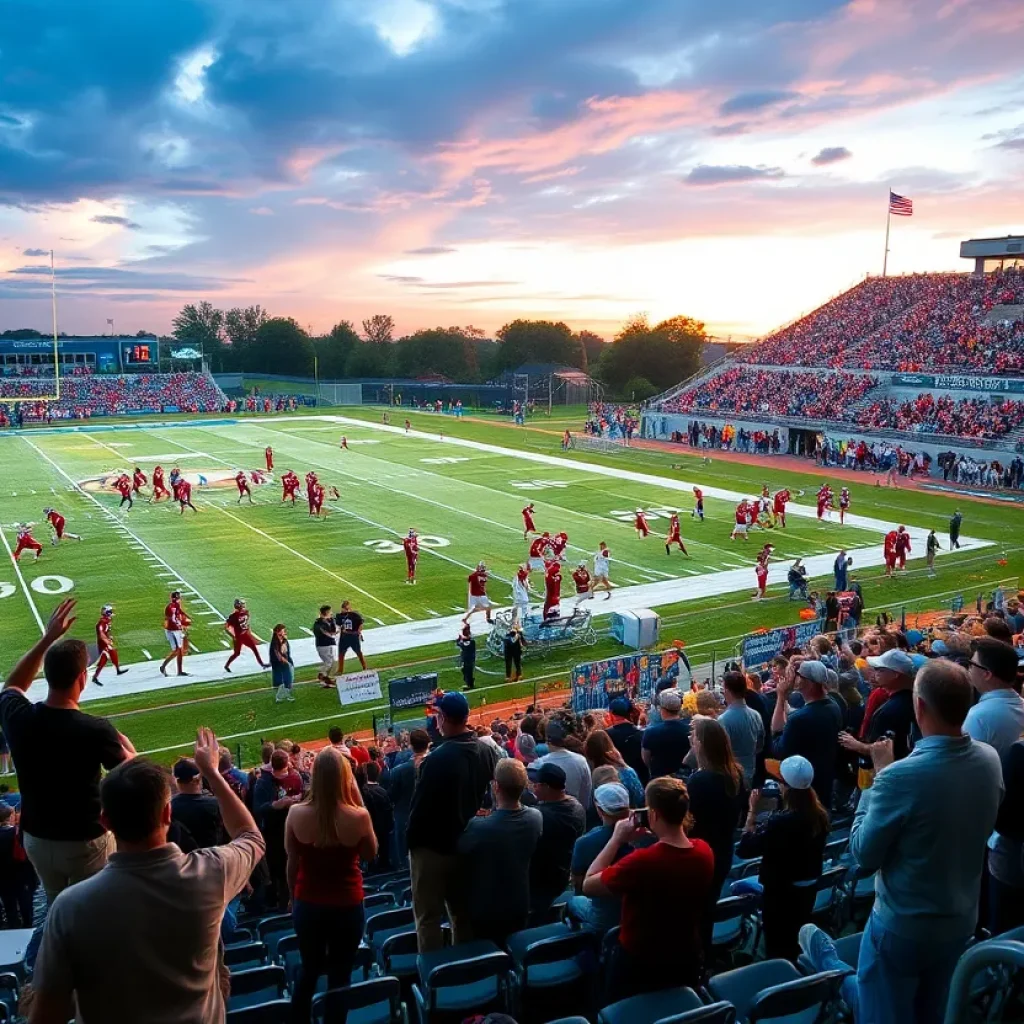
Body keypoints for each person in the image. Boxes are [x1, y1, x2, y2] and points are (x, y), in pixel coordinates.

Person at [799, 660, 1002, 1024]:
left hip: (904, 926)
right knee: (930, 1010)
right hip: (960, 920)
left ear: (919, 706)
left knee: (882, 1011)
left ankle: (831, 965)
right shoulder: (990, 759)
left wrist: (879, 775)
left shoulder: (900, 777)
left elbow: (863, 853)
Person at [29, 728, 265, 1024]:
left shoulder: (69, 906)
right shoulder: (211, 873)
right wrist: (211, 772)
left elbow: (48, 1013)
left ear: (105, 822)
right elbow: (251, 836)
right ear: (168, 813)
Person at [0, 600, 135, 912]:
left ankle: (50, 952)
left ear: (45, 675)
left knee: (55, 904)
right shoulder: (94, 728)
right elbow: (134, 777)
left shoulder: (18, 716)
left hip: (35, 838)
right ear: (82, 679)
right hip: (84, 840)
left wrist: (47, 640)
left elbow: (13, 685)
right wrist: (128, 748)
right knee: (91, 909)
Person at [583, 777, 714, 1000]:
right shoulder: (704, 850)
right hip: (685, 954)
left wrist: (616, 839)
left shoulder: (643, 862)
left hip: (641, 961)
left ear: (652, 814)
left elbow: (588, 884)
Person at [285, 747, 376, 1024]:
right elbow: (371, 854)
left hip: (308, 904)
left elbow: (292, 863)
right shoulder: (358, 816)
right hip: (347, 906)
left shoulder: (295, 813)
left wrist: (293, 898)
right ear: (345, 777)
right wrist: (356, 798)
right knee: (341, 974)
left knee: (309, 969)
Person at [407, 691, 499, 952]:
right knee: (461, 914)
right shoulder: (485, 750)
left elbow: (419, 810)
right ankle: (464, 969)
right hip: (467, 842)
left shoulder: (435, 760)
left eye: (437, 716)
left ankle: (432, 975)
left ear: (444, 718)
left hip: (433, 849)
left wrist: (412, 844)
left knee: (428, 919)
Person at [735, 755, 828, 961]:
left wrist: (751, 811)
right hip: (807, 889)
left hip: (781, 894)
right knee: (795, 939)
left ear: (784, 787)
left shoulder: (780, 823)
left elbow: (744, 849)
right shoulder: (820, 814)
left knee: (778, 946)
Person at [457, 759, 542, 943]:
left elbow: (460, 853)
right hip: (520, 903)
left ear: (496, 786)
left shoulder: (479, 827)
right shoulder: (535, 817)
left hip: (486, 910)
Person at [688, 716, 746, 908]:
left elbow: (690, 820)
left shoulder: (701, 781)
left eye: (695, 738)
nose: (692, 740)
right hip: (723, 849)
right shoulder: (735, 773)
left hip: (702, 851)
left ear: (703, 744)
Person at [770, 659, 843, 807]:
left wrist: (780, 696)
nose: (794, 678)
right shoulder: (833, 705)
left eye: (798, 676)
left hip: (803, 788)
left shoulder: (800, 719)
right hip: (825, 778)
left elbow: (778, 744)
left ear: (808, 683)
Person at [567, 782, 633, 934]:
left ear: (599, 810)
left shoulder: (585, 842)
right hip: (634, 915)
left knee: (573, 901)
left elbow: (579, 885)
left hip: (604, 919)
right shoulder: (646, 836)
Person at [839, 648, 918, 768]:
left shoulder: (889, 711)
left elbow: (882, 751)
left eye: (880, 669)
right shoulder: (916, 699)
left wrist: (856, 745)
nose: (875, 672)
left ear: (895, 674)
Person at [528, 763, 586, 912]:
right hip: (565, 872)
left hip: (543, 880)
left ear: (546, 787)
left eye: (537, 784)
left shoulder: (540, 816)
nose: (534, 787)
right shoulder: (576, 805)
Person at [254, 749, 304, 910]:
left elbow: (304, 795)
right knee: (279, 871)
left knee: (293, 865)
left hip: (293, 829)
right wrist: (276, 805)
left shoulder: (295, 777)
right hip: (275, 834)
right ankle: (283, 904)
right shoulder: (263, 782)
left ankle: (293, 901)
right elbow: (258, 809)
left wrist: (298, 800)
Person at [963, 637, 1024, 758]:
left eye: (971, 664)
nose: (969, 668)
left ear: (987, 674)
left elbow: (964, 768)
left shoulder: (978, 717)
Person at [388, 728, 429, 865]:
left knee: (406, 862)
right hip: (432, 819)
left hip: (405, 818)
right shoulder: (439, 762)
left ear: (410, 745)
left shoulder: (398, 771)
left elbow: (391, 797)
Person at [531, 719, 592, 809]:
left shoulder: (539, 764)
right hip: (578, 813)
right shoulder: (581, 760)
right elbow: (586, 793)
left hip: (549, 816)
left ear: (547, 740)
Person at [718, 671, 765, 785]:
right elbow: (759, 746)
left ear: (728, 691)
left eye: (724, 689)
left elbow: (721, 753)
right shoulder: (756, 715)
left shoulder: (723, 719)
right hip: (750, 771)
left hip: (733, 776)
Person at [171, 757, 224, 849]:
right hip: (211, 856)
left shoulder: (169, 807)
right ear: (196, 780)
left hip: (183, 859)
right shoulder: (214, 804)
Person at [584, 729, 644, 806]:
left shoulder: (590, 773)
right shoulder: (625, 771)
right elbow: (639, 796)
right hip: (629, 813)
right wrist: (623, 764)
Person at [641, 689, 691, 778]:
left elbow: (646, 758)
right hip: (684, 777)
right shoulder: (689, 730)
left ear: (663, 710)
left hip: (660, 778)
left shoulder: (651, 732)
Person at [358, 761, 393, 875]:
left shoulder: (361, 792)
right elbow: (388, 814)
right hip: (382, 831)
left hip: (369, 832)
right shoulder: (382, 791)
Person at [224, 598, 267, 673]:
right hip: (239, 637)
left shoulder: (246, 612)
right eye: (242, 604)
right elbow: (226, 627)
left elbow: (246, 624)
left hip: (244, 635)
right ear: (238, 605)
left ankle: (262, 664)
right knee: (237, 653)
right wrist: (233, 636)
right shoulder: (233, 616)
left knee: (254, 648)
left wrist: (248, 632)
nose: (244, 605)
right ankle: (226, 665)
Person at [92, 604, 128, 685]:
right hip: (103, 644)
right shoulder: (102, 622)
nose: (112, 613)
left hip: (107, 642)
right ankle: (95, 677)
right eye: (110, 611)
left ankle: (118, 670)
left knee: (114, 654)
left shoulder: (107, 620)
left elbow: (106, 631)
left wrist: (109, 636)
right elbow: (101, 634)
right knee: (103, 661)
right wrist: (107, 641)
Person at [160, 590, 191, 678]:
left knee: (178, 651)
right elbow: (173, 619)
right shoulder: (172, 607)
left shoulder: (171, 606)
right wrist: (182, 624)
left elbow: (179, 612)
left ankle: (165, 667)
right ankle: (175, 669)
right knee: (178, 650)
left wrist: (186, 616)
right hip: (174, 630)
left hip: (170, 629)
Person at [335, 601, 367, 675]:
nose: (345, 610)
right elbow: (338, 625)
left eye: (346, 608)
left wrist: (359, 632)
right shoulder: (339, 616)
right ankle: (340, 670)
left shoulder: (354, 615)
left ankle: (364, 666)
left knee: (358, 652)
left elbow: (361, 623)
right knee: (341, 654)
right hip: (344, 638)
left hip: (353, 637)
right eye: (344, 608)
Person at [313, 605, 338, 688]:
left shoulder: (330, 621)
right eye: (330, 611)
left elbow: (333, 631)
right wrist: (332, 634)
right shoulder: (319, 623)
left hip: (330, 643)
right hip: (323, 645)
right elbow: (324, 633)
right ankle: (322, 675)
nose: (331, 613)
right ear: (327, 612)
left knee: (333, 662)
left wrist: (333, 626)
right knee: (329, 663)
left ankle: (326, 679)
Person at [269, 624, 295, 702]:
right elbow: (279, 656)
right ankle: (280, 697)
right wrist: (287, 663)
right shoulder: (275, 642)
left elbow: (286, 652)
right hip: (280, 664)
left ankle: (283, 695)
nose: (285, 632)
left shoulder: (283, 640)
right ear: (278, 632)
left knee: (289, 679)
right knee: (287, 679)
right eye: (283, 631)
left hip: (285, 662)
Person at [456, 624, 476, 691]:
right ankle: (470, 683)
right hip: (466, 659)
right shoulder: (469, 642)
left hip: (469, 659)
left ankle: (469, 685)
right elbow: (459, 642)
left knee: (468, 672)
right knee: (465, 671)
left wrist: (460, 637)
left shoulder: (470, 642)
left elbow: (462, 643)